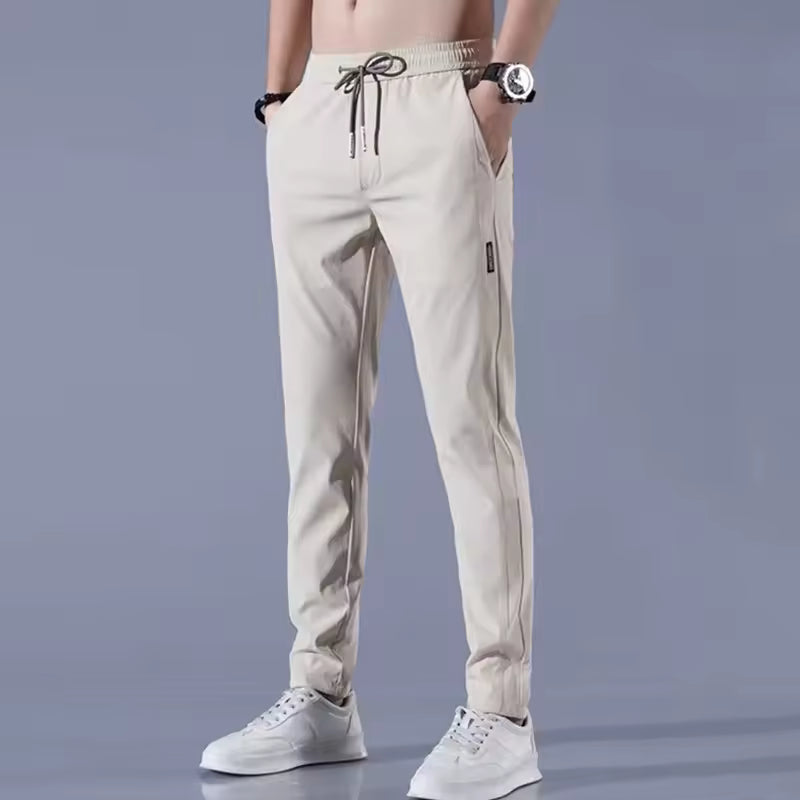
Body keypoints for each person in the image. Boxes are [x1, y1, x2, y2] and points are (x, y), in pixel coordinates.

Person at [201, 1, 559, 797]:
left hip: (441, 98)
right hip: (319, 104)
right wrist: (280, 98)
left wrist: (503, 86)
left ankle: (502, 712)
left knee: (472, 423)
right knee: (317, 427)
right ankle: (320, 691)